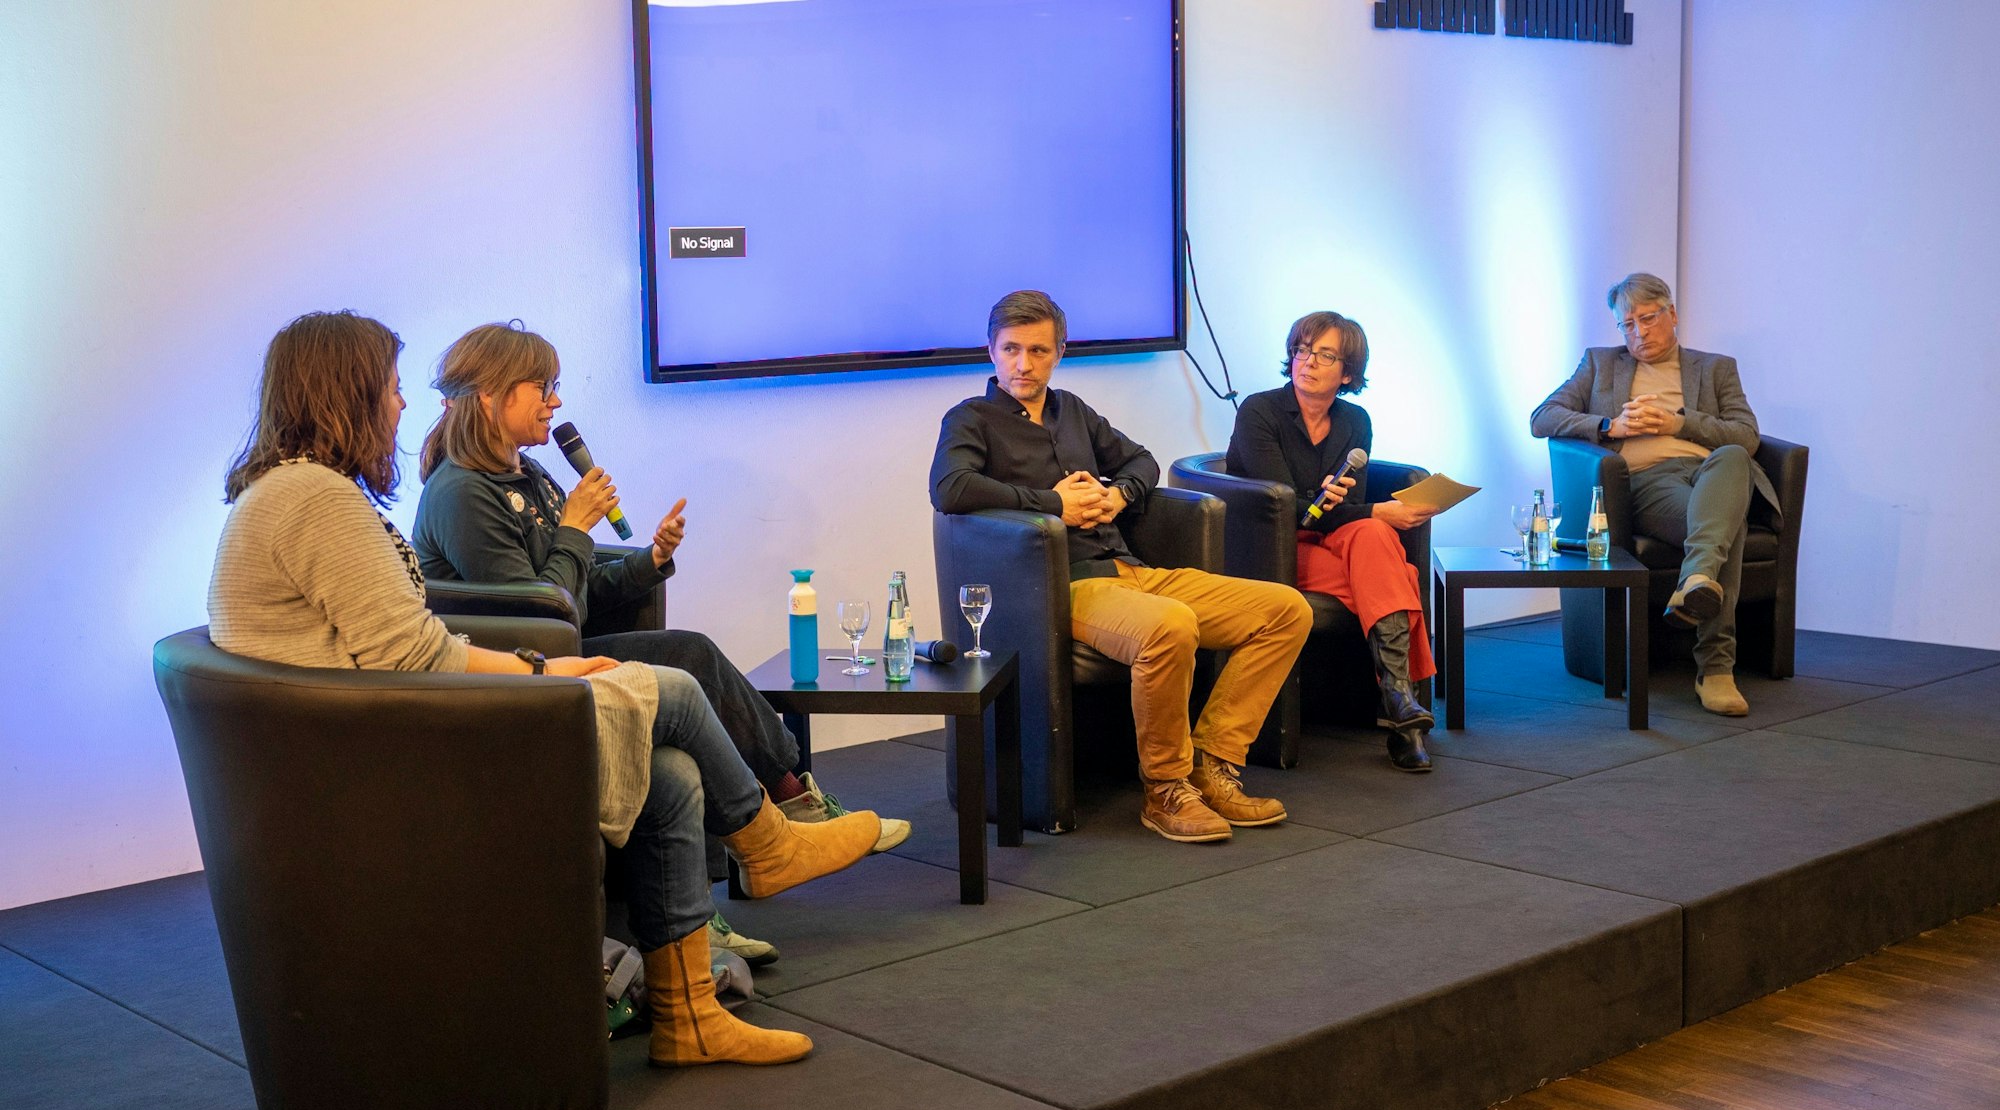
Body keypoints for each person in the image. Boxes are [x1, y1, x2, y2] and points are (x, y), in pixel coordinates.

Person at [208, 310, 891, 1069]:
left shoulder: (301, 494)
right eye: (393, 389)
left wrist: (563, 652)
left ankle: (690, 1014)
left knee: (671, 772)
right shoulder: (317, 500)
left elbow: (419, 643)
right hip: (392, 770)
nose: (404, 406)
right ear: (346, 394)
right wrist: (547, 668)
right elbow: (423, 652)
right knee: (670, 685)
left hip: (390, 741)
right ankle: (768, 842)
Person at [408, 322, 911, 963]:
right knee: (690, 658)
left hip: (565, 645)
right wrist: (574, 527)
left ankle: (727, 885)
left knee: (687, 666)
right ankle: (788, 813)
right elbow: (539, 616)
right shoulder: (460, 493)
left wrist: (648, 560)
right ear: (490, 396)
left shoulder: (525, 472)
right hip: (526, 674)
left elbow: (577, 589)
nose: (556, 403)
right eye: (543, 387)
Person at [930, 290, 1312, 843]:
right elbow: (951, 488)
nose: (1023, 364)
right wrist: (1053, 504)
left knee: (1284, 609)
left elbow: (1142, 461)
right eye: (1011, 349)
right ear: (991, 350)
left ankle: (1215, 763)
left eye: (1038, 351)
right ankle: (1165, 789)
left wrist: (1119, 497)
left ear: (1059, 351)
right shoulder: (972, 418)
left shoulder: (1074, 412)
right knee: (1171, 625)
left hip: (1134, 570)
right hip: (1067, 585)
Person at [1530, 273, 1779, 716]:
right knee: (1727, 522)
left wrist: (1678, 423)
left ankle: (1697, 583)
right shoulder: (1599, 364)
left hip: (1710, 471)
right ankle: (1716, 668)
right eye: (1627, 324)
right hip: (1647, 482)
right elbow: (1542, 417)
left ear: (1673, 315)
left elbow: (1747, 435)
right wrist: (1610, 426)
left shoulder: (1715, 367)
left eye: (1647, 319)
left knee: (1733, 461)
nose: (1639, 333)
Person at [1225, 311, 1439, 771]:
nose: (1308, 362)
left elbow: (1343, 511)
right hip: (1274, 547)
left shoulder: (1354, 421)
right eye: (1302, 350)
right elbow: (1282, 506)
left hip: (1330, 538)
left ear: (1347, 372)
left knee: (1374, 535)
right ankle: (1405, 717)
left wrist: (1361, 512)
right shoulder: (1259, 411)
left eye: (1325, 355)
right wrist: (1371, 510)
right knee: (1396, 572)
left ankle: (1401, 705)